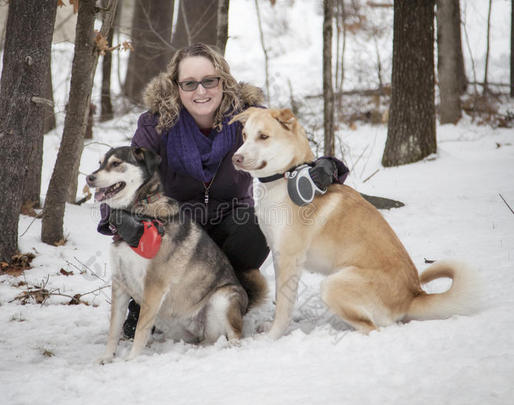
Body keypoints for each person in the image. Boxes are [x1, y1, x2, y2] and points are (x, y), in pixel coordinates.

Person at [99, 43, 349, 338]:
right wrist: (117, 217)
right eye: (189, 83)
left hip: (231, 223)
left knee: (258, 224)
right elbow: (123, 174)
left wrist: (326, 167)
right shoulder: (155, 123)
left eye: (209, 81)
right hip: (176, 228)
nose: (201, 91)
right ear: (176, 86)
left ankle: (225, 298)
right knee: (151, 231)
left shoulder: (248, 117)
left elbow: (292, 144)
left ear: (223, 81)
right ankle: (152, 303)